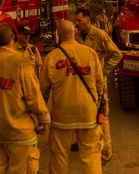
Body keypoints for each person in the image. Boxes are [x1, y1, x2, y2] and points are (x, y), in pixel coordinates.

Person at [0, 23, 50, 174]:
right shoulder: (20, 64)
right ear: (13, 38)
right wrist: (44, 119)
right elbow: (33, 97)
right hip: (19, 133)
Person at [39, 20, 104, 174]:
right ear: (74, 32)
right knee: (91, 155)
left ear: (58, 35)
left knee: (59, 155)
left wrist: (41, 116)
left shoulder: (51, 58)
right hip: (88, 113)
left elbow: (43, 91)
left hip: (62, 116)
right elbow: (100, 84)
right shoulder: (90, 54)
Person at [74, 8, 122, 165]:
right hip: (81, 82)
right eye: (75, 21)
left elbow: (117, 54)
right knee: (81, 112)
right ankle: (81, 141)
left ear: (87, 20)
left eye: (79, 20)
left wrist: (104, 70)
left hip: (97, 83)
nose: (76, 24)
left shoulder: (100, 35)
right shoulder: (76, 36)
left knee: (102, 115)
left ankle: (107, 152)